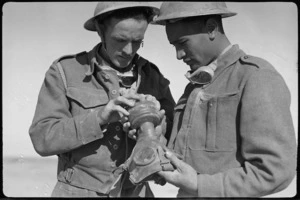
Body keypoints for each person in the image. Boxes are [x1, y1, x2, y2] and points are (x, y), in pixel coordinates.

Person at [29, 2, 175, 198]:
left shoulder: (152, 76)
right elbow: (42, 138)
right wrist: (99, 118)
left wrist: (158, 128)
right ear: (100, 29)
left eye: (138, 41)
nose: (129, 50)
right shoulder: (66, 72)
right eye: (120, 40)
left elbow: (175, 138)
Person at [153, 2, 297, 197]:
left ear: (211, 28)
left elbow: (274, 170)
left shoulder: (255, 76)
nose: (178, 55)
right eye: (174, 45)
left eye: (183, 43)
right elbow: (185, 156)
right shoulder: (195, 86)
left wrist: (199, 185)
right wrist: (158, 134)